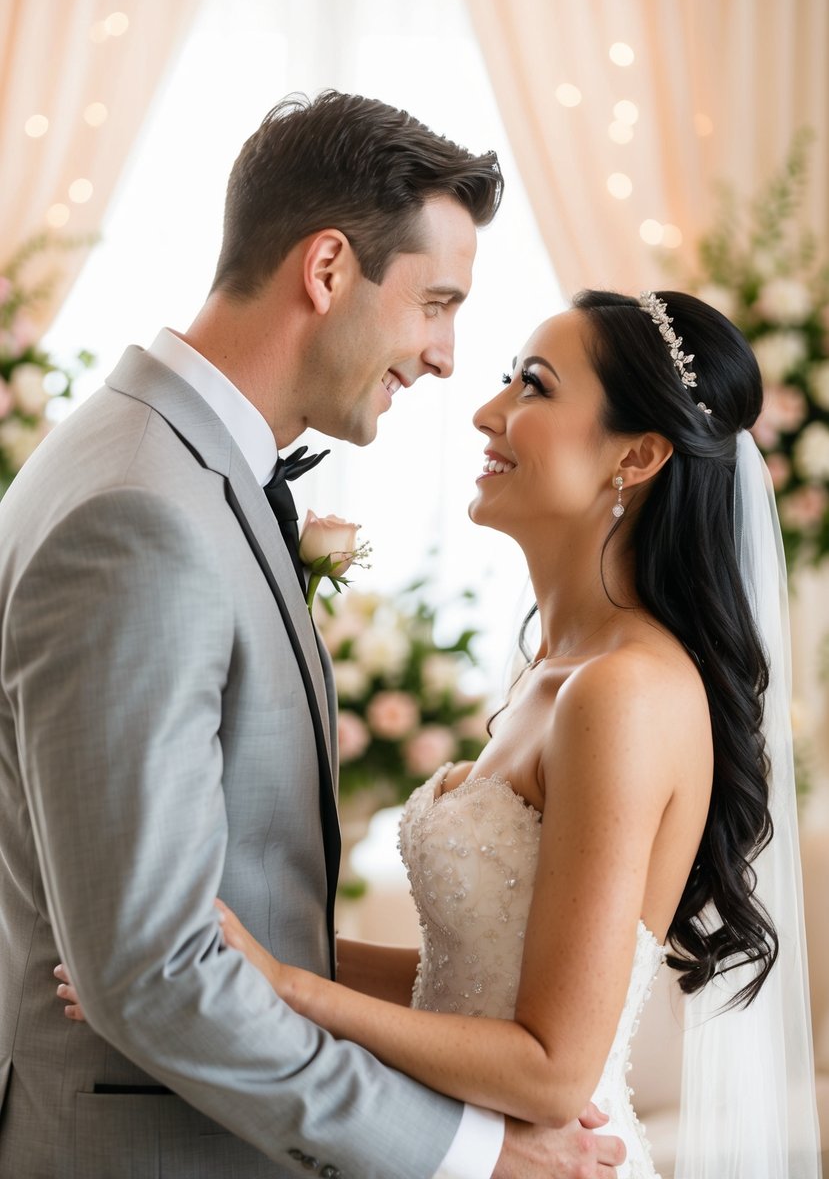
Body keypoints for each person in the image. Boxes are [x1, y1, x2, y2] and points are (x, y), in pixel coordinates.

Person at [0, 91, 625, 1179]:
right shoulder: (140, 514)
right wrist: (463, 1153)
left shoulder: (150, 463)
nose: (444, 358)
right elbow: (152, 971)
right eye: (434, 303)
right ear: (327, 268)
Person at [154, 288, 820, 1177]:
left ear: (637, 455)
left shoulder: (621, 693)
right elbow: (460, 984)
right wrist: (225, 944)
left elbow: (550, 1073)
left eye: (534, 387)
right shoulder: (552, 675)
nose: (484, 409)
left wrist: (285, 989)